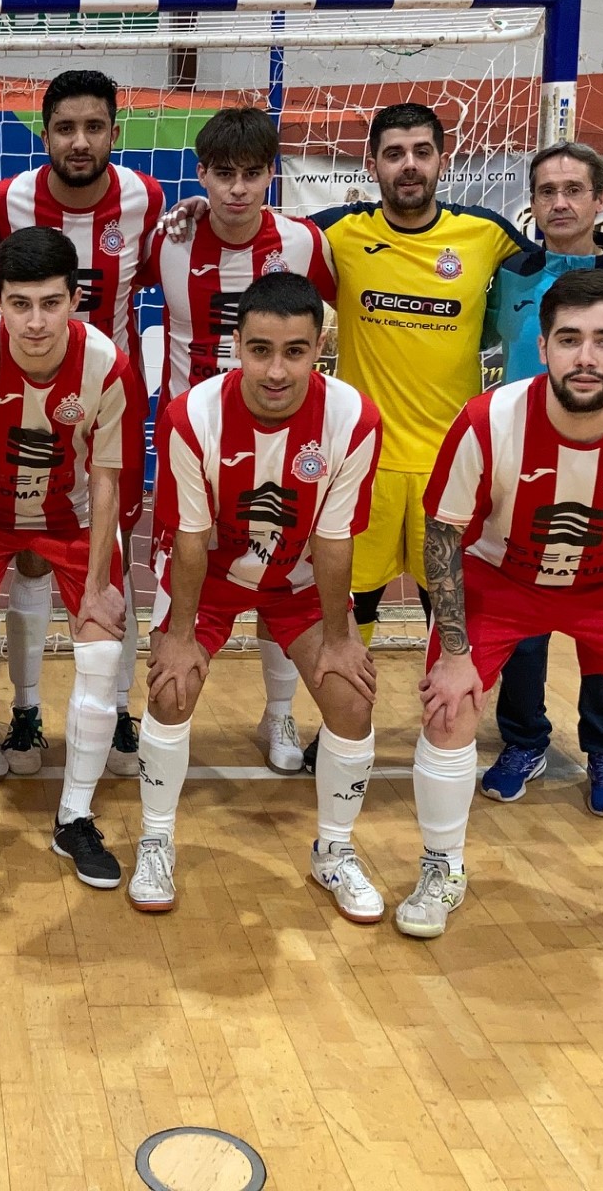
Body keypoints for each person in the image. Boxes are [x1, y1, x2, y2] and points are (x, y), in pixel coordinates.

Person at [155, 105, 603, 774]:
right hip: (362, 465)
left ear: (441, 160)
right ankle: (338, 727)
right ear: (372, 163)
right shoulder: (338, 233)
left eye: (422, 151)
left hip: (451, 468)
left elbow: (566, 269)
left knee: (455, 614)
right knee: (345, 606)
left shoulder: (488, 237)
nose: (408, 165)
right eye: (393, 153)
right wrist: (200, 208)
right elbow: (254, 223)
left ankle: (454, 732)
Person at [406, 269, 603, 964]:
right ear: (542, 346)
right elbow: (442, 535)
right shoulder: (488, 420)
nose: (587, 356)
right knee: (448, 707)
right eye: (570, 339)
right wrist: (455, 655)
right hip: (499, 579)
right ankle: (441, 867)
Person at [137, 273, 382, 915]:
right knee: (171, 689)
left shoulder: (354, 417)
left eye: (295, 352)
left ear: (320, 347)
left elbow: (334, 539)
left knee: (352, 700)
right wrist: (180, 638)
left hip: (298, 576)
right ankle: (155, 841)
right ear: (236, 346)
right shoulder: (191, 416)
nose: (276, 371)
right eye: (261, 350)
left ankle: (335, 852)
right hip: (210, 577)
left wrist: (339, 641)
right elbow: (190, 539)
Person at [135, 107, 338, 775]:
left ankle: (278, 712)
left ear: (271, 174)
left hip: (281, 438)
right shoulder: (167, 239)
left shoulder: (303, 243)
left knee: (279, 565)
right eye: (223, 174)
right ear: (201, 175)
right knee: (186, 566)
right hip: (192, 446)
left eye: (252, 174)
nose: (238, 189)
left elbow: (327, 316)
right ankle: (159, 713)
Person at [0, 228, 136, 893]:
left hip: (71, 516)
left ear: (75, 299)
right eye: (20, 304)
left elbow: (106, 480)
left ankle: (74, 816)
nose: (37, 321)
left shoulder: (106, 363)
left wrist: (99, 584)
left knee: (103, 648)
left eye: (51, 303)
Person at [482, 141, 603, 815]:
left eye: (573, 190)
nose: (560, 203)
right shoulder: (511, 275)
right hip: (521, 477)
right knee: (520, 624)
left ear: (600, 200)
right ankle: (524, 740)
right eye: (546, 191)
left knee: (601, 621)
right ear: (532, 204)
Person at [0, 69, 160, 782]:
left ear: (116, 131)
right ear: (45, 132)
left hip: (112, 404)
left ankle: (116, 708)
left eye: (93, 127)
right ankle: (26, 708)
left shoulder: (147, 198)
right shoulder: (9, 200)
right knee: (30, 548)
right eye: (65, 128)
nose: (79, 141)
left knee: (110, 552)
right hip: (27, 404)